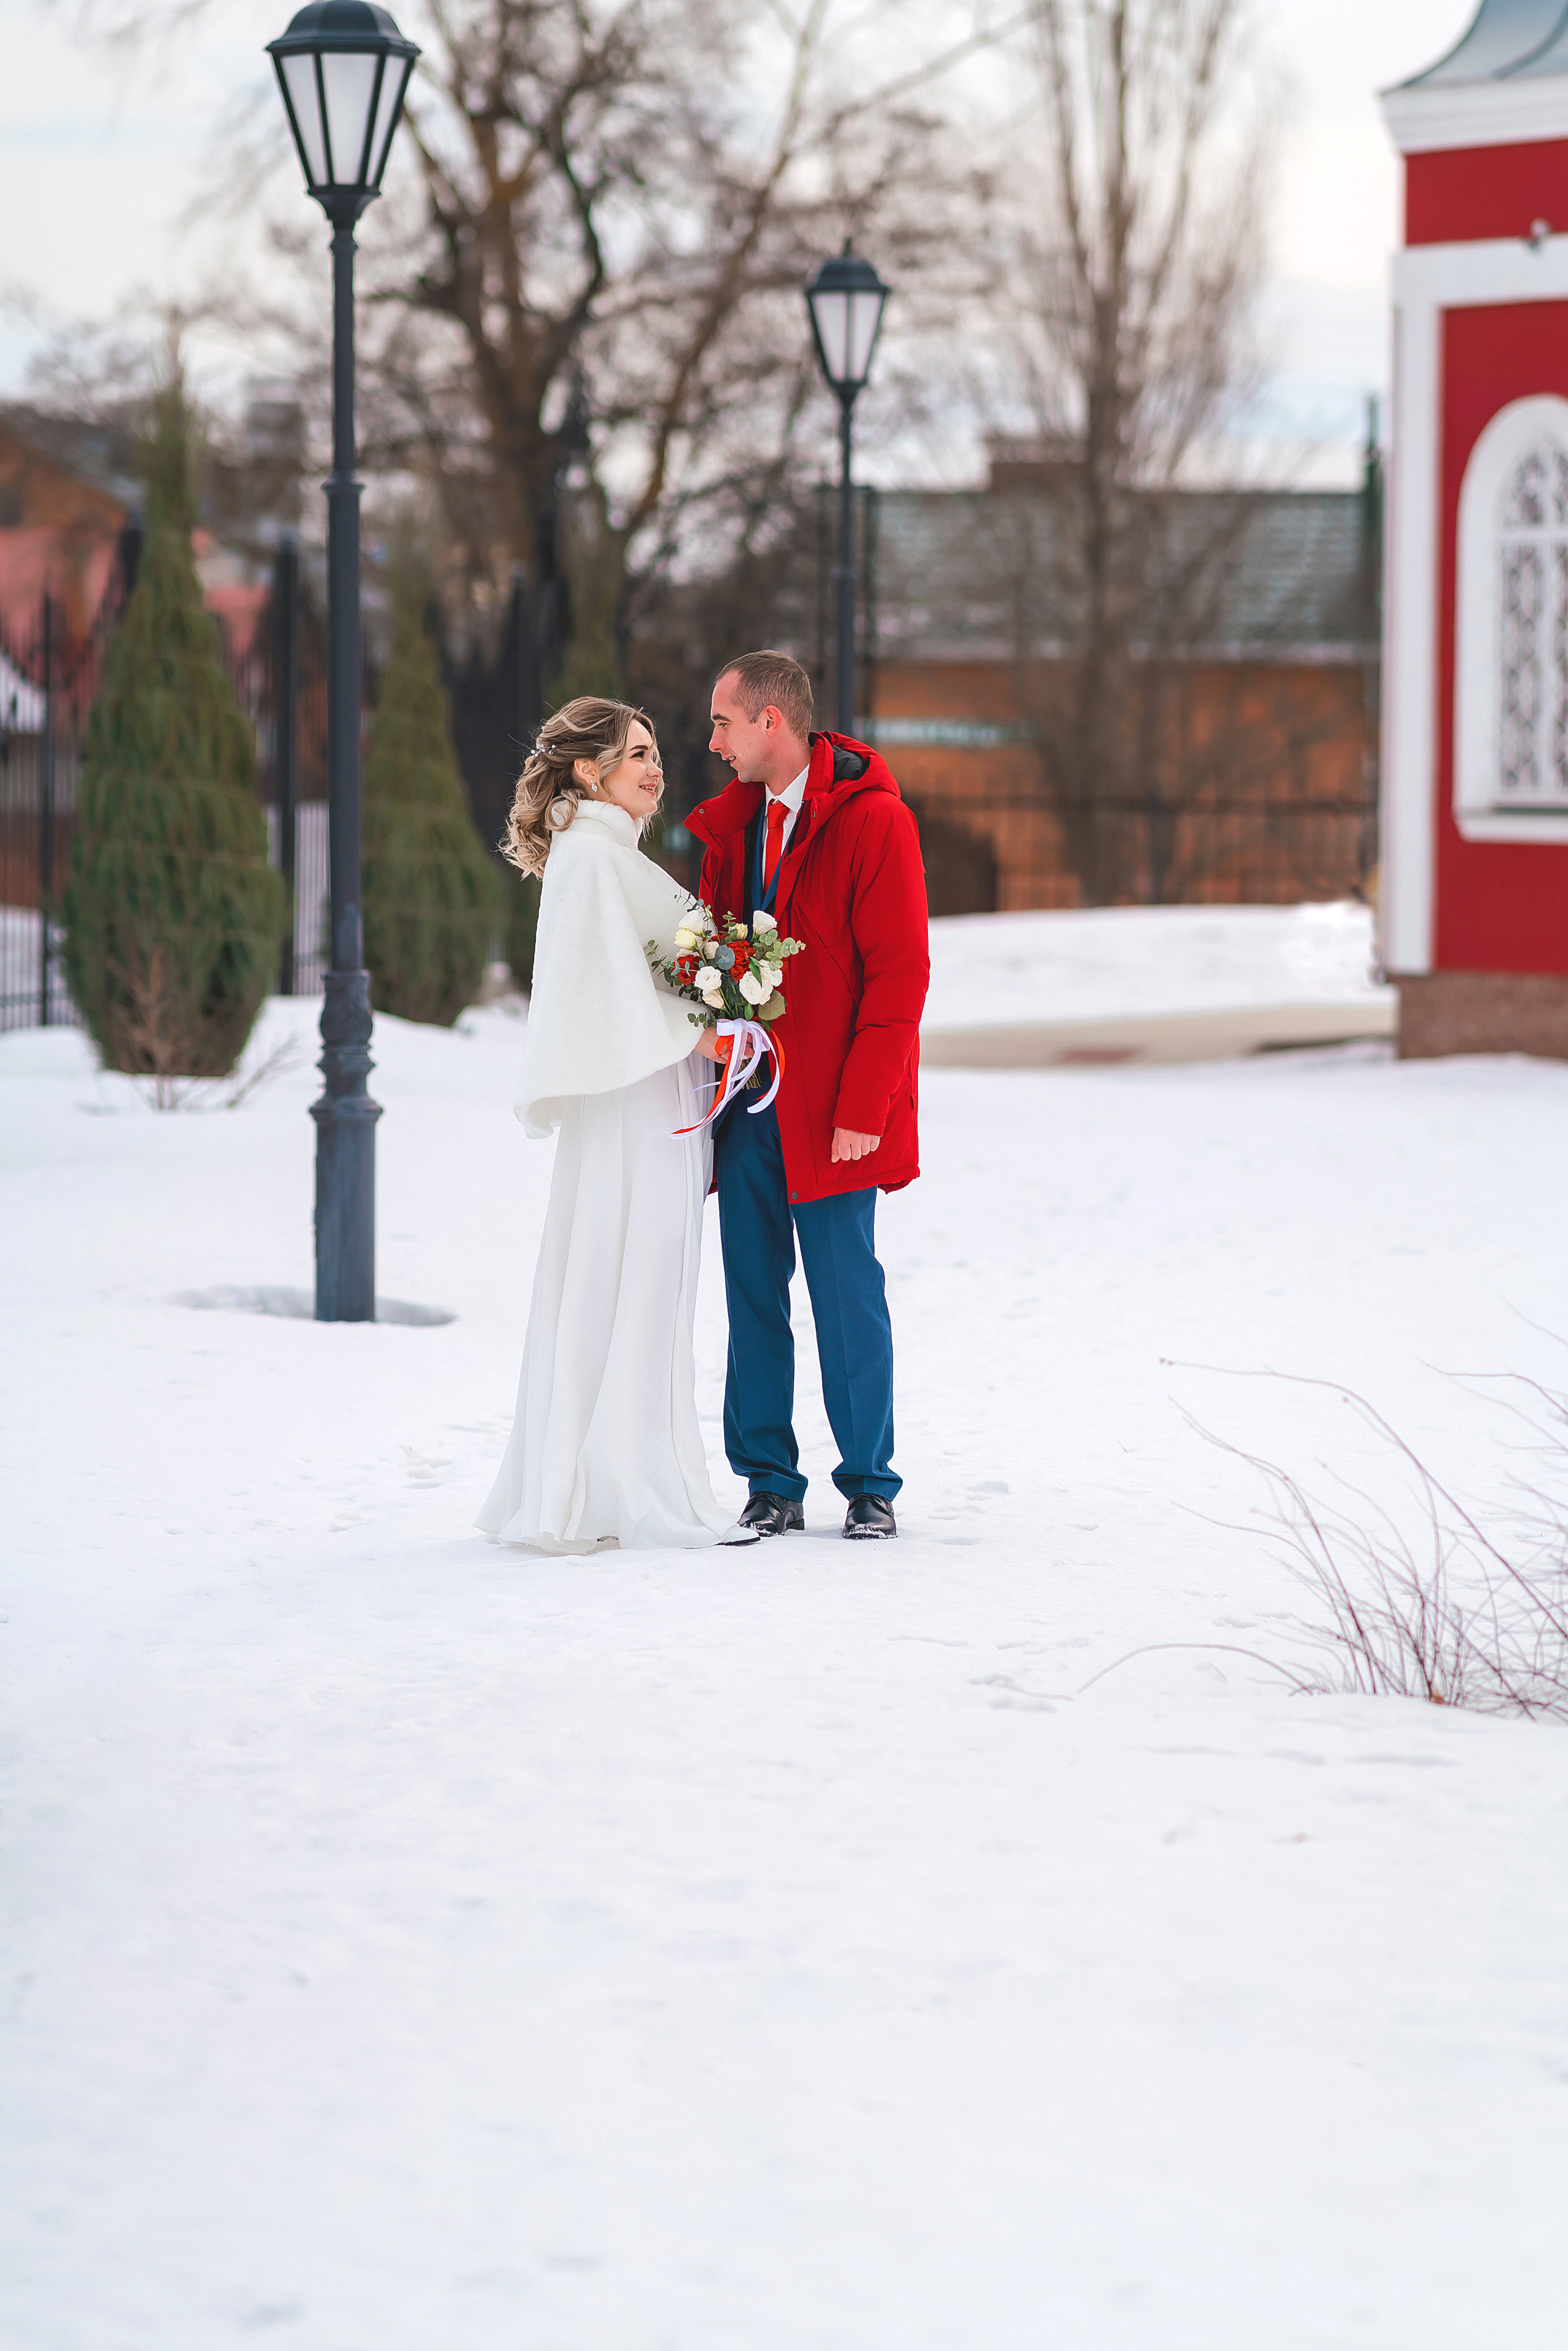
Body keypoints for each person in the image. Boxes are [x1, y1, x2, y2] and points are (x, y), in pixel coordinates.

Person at [475, 698, 737, 1555]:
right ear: (590, 771)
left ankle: (617, 1472)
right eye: (637, 753)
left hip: (648, 1089)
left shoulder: (608, 851)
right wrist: (702, 1029)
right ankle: (612, 1484)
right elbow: (601, 987)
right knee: (627, 1271)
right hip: (632, 1101)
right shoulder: (590, 856)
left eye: (656, 752)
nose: (655, 767)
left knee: (642, 1276)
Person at [687, 649, 929, 1542]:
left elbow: (899, 977)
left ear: (771, 721)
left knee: (845, 1294)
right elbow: (712, 959)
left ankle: (870, 1484)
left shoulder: (876, 822)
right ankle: (769, 1481)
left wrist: (865, 1108)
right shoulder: (734, 828)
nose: (715, 742)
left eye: (724, 722)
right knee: (752, 1294)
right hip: (747, 1103)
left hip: (834, 1114)